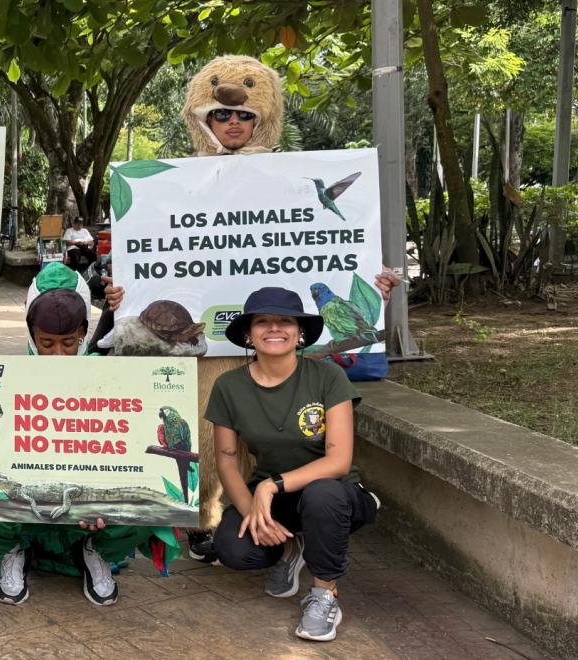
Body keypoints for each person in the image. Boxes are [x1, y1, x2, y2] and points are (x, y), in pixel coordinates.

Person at [99, 55, 401, 565]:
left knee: (278, 433)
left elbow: (332, 242)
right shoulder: (169, 185)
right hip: (204, 349)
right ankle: (204, 520)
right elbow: (155, 258)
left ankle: (297, 518)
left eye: (243, 115)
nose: (233, 121)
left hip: (276, 341)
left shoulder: (291, 178)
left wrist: (373, 282)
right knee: (203, 431)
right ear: (201, 118)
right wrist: (121, 296)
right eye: (219, 114)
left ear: (264, 116)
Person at [0, 265, 180, 621]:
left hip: (84, 509)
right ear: (31, 335)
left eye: (69, 343)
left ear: (83, 333)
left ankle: (92, 550)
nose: (57, 354)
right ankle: (12, 551)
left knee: (147, 513)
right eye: (46, 343)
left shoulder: (111, 374)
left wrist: (119, 306)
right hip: (29, 511)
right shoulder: (9, 382)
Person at [206, 287, 379, 642]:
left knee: (322, 496)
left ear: (299, 332)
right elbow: (226, 460)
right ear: (248, 334)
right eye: (263, 322)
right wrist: (252, 512)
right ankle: (289, 548)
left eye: (285, 321)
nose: (274, 328)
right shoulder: (228, 385)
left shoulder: (328, 378)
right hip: (276, 499)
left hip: (335, 494)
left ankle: (323, 593)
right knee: (234, 549)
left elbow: (338, 460)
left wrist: (271, 485)